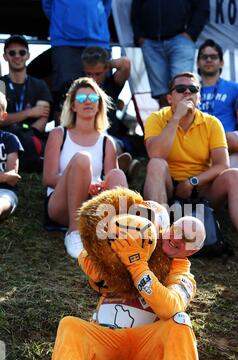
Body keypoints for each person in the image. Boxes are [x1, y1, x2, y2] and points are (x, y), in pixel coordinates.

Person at [39, 195, 210, 360]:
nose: (177, 238)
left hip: (143, 353)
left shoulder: (183, 275)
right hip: (105, 346)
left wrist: (137, 265)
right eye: (176, 230)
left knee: (180, 321)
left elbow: (170, 306)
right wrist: (111, 249)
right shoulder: (134, 242)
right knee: (70, 324)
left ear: (193, 251)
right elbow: (92, 270)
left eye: (186, 239)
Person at [143, 72, 238, 265]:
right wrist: (176, 118)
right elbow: (155, 153)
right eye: (180, 89)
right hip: (168, 186)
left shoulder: (212, 123)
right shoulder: (156, 118)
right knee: (155, 164)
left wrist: (193, 181)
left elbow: (222, 164)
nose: (187, 92)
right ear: (170, 97)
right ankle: (158, 240)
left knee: (234, 175)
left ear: (199, 96)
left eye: (193, 89)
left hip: (201, 188)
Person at [42, 77, 128, 259]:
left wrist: (97, 186)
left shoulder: (107, 141)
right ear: (72, 106)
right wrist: (83, 183)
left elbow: (110, 183)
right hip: (61, 204)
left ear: (99, 105)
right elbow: (48, 178)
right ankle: (74, 232)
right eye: (81, 99)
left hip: (92, 204)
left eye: (93, 98)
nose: (88, 102)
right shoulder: (59, 133)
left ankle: (117, 233)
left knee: (118, 174)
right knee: (82, 159)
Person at [131, 0, 210, 108]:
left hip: (180, 40)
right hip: (151, 42)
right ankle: (165, 124)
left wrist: (191, 33)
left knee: (183, 90)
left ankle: (186, 124)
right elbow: (135, 7)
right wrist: (139, 36)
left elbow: (202, 7)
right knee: (162, 96)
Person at [42, 0, 112, 118]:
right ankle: (62, 135)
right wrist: (65, 22)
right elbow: (47, 5)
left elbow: (107, 4)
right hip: (65, 41)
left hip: (98, 39)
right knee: (63, 95)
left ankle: (102, 134)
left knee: (102, 93)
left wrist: (96, 21)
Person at [81, 46, 139, 179]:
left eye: (97, 73)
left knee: (111, 144)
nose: (93, 78)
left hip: (110, 138)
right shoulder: (79, 88)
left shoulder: (111, 84)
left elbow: (125, 64)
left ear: (107, 69)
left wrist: (107, 63)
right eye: (89, 74)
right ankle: (123, 169)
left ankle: (116, 168)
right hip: (85, 138)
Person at [0, 35, 52, 173]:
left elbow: (42, 118)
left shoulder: (39, 85)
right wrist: (29, 113)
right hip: (4, 137)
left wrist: (21, 130)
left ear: (28, 55)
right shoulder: (1, 84)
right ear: (5, 56)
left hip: (31, 136)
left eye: (21, 52)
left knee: (28, 139)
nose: (17, 56)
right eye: (12, 53)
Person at [197, 39, 238, 132]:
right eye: (204, 57)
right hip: (196, 143)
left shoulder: (234, 89)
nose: (208, 60)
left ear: (222, 63)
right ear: (197, 64)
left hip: (226, 143)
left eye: (213, 57)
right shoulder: (189, 90)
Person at [0, 92, 23, 221]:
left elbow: (12, 177)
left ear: (3, 116)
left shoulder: (10, 139)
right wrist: (3, 176)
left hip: (4, 192)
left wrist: (6, 177)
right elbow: (6, 176)